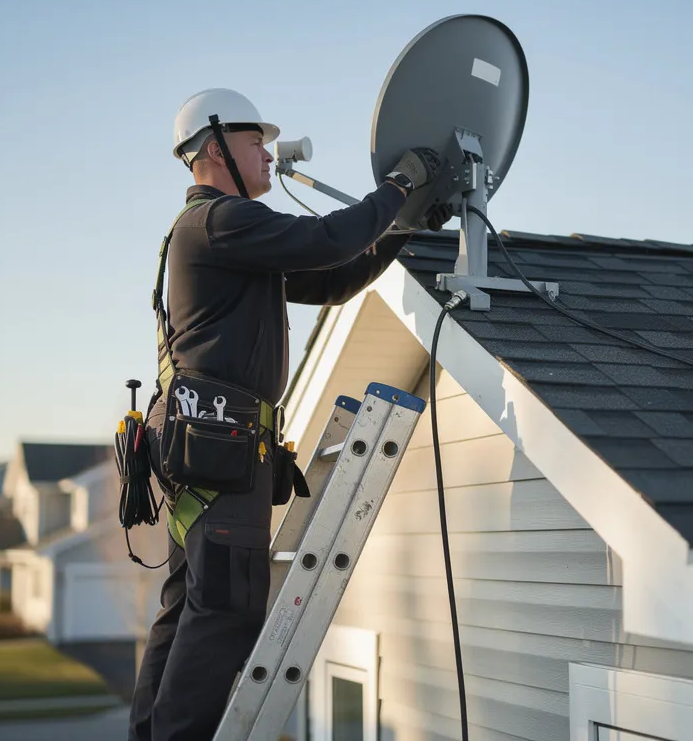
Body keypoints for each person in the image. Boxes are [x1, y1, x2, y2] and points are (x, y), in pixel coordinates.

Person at [128, 88, 451, 741]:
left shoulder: (222, 237)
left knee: (188, 607)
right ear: (217, 150)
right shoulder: (221, 221)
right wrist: (400, 186)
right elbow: (328, 235)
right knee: (225, 609)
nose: (270, 155)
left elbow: (331, 275)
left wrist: (404, 229)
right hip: (219, 437)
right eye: (257, 144)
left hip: (202, 438)